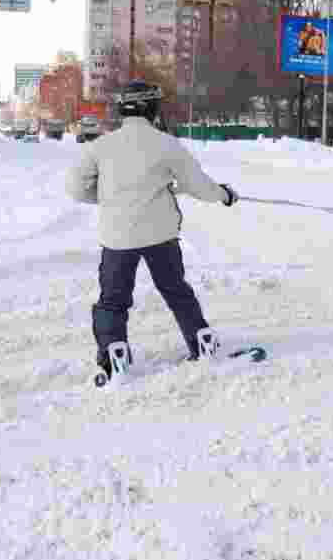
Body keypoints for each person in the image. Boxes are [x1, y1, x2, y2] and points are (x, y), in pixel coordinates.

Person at [65, 99, 239, 380]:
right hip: (161, 236)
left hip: (118, 237)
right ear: (152, 111)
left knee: (113, 300)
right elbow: (199, 185)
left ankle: (113, 354)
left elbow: (75, 189)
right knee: (176, 292)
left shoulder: (100, 147)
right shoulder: (166, 144)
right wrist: (224, 194)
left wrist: (108, 199)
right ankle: (201, 342)